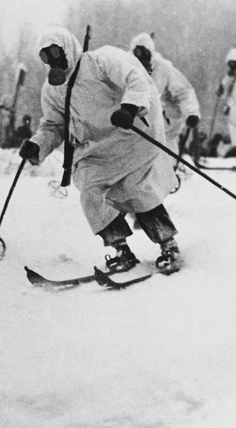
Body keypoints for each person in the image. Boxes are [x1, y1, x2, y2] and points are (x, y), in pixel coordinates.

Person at [19, 26, 182, 274]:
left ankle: (168, 245)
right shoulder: (52, 90)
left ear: (67, 47)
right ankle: (121, 250)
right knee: (91, 193)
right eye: (46, 56)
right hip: (95, 151)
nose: (54, 60)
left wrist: (129, 107)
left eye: (56, 52)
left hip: (130, 139)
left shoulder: (101, 61)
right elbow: (54, 125)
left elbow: (135, 78)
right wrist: (38, 144)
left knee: (137, 191)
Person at [129, 33, 200, 154]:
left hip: (165, 124)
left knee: (164, 155)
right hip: (139, 124)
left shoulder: (164, 68)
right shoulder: (129, 68)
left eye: (146, 58)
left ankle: (172, 169)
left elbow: (183, 91)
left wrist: (191, 112)